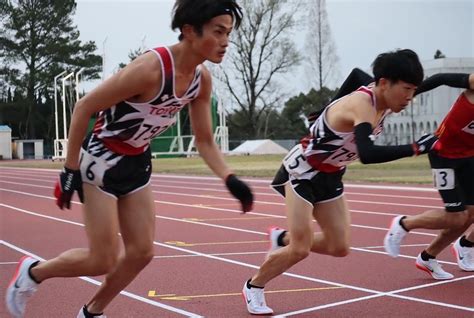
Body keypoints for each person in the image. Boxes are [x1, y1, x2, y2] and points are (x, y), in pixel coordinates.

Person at [6, 1, 253, 317]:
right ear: (190, 31)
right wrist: (69, 169)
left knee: (141, 252)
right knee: (102, 259)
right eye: (219, 32)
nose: (225, 42)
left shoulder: (200, 80)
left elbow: (204, 141)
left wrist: (230, 179)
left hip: (137, 163)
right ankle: (33, 272)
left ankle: (92, 311)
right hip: (101, 161)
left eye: (229, 34)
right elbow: (84, 108)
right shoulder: (150, 69)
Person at [242, 49, 439, 315]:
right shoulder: (362, 105)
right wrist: (415, 147)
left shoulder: (387, 96)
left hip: (331, 174)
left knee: (339, 247)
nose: (409, 98)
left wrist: (326, 108)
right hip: (302, 172)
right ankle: (254, 286)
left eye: (414, 90)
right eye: (406, 89)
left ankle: (282, 238)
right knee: (299, 250)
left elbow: (358, 74)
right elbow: (367, 155)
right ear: (384, 83)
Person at [384, 72, 474, 279]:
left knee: (470, 213)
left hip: (470, 156)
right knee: (457, 216)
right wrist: (409, 95)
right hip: (443, 153)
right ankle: (404, 223)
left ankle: (438, 254)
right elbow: (441, 78)